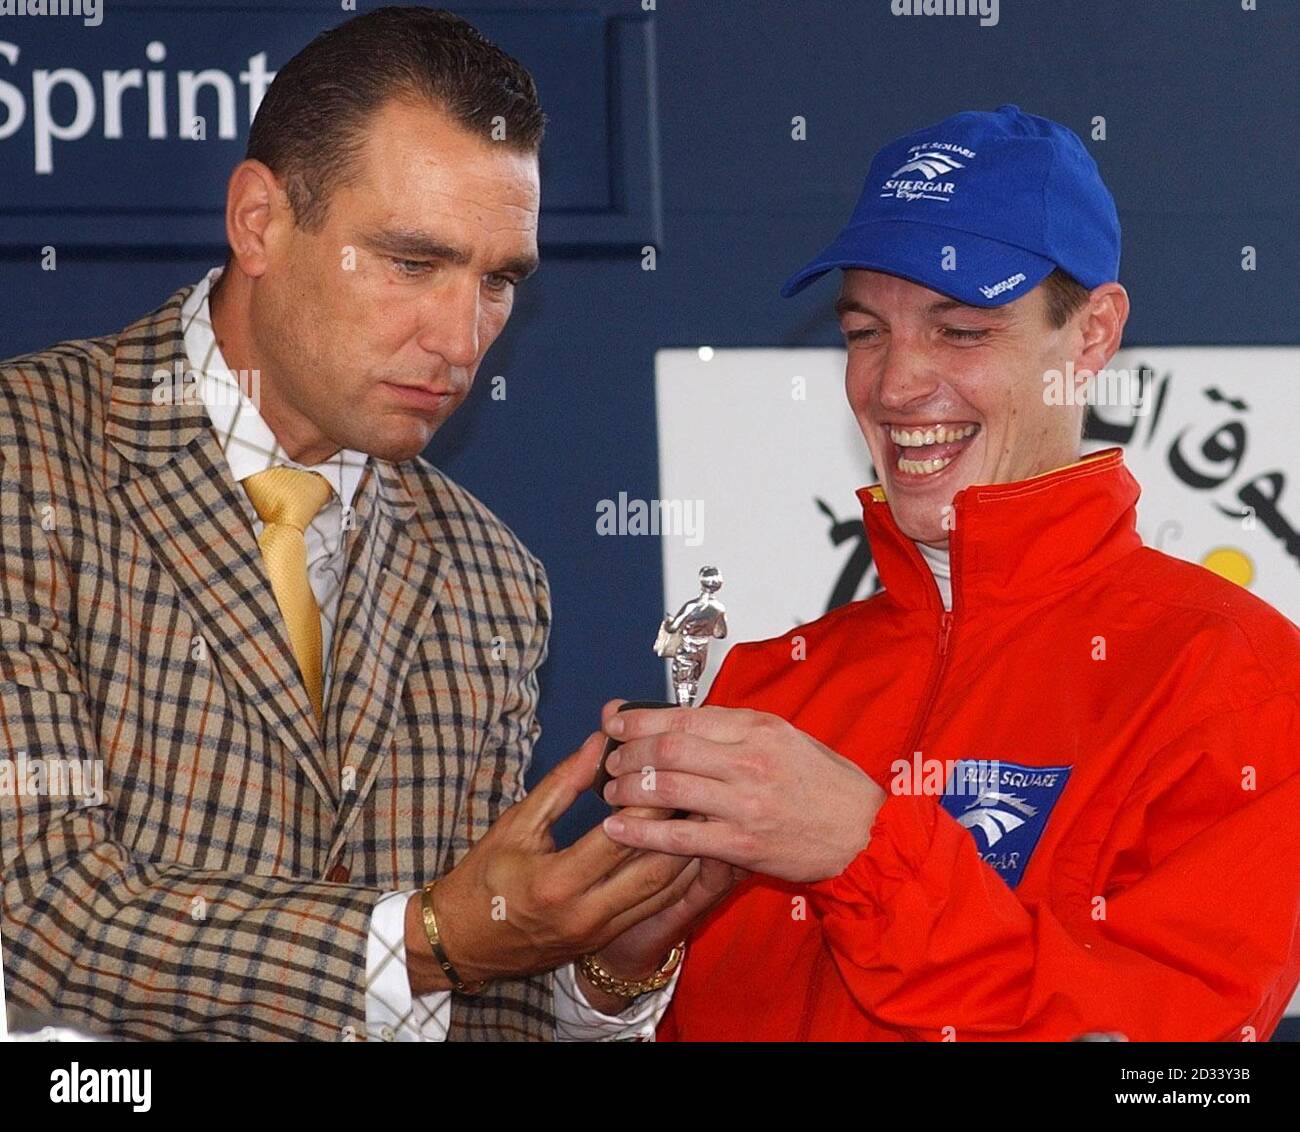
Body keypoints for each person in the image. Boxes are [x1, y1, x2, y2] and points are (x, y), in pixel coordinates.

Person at [0, 7, 717, 1042]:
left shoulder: (491, 578)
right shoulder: (26, 455)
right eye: (412, 262)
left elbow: (475, 1003)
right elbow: (38, 909)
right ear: (258, 221)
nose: (461, 338)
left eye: (499, 280)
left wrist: (597, 971)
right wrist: (431, 936)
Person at [598, 105, 1300, 1041]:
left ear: (1091, 336)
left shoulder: (1238, 681)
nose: (894, 386)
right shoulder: (767, 691)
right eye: (864, 333)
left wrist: (866, 851)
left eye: (961, 329)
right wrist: (613, 971)